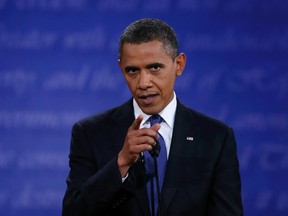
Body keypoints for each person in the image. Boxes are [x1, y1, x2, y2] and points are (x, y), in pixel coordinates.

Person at [62, 18, 243, 216]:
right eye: (132, 70)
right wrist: (121, 162)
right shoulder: (90, 133)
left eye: (154, 67)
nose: (143, 82)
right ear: (121, 68)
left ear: (179, 65)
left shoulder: (216, 138)